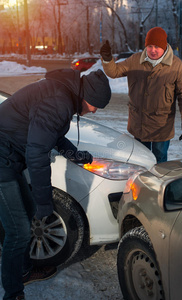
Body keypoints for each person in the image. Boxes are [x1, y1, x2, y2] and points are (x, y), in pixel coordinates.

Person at [0, 68, 111, 300]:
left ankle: (24, 270)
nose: (94, 110)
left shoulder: (63, 95)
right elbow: (37, 153)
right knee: (18, 231)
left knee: (27, 212)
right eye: (95, 105)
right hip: (2, 161)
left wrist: (75, 155)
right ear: (86, 96)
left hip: (8, 158)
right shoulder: (58, 102)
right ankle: (13, 292)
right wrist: (44, 201)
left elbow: (52, 134)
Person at [100, 27, 182, 163]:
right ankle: (141, 184)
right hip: (139, 123)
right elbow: (114, 72)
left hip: (161, 125)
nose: (153, 50)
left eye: (157, 46)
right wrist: (107, 59)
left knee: (159, 159)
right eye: (150, 46)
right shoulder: (135, 60)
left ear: (164, 46)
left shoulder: (176, 65)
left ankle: (159, 183)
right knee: (140, 160)